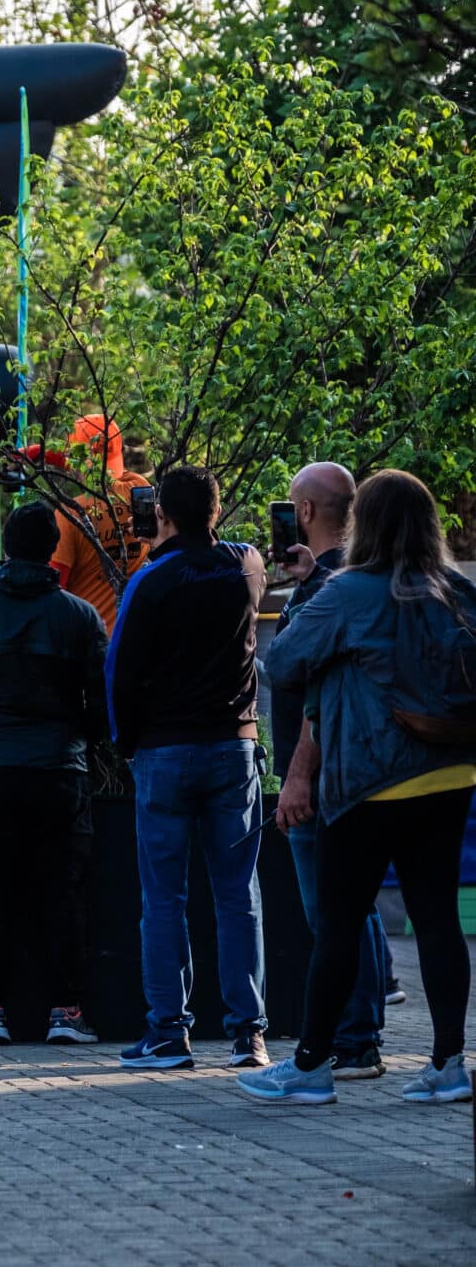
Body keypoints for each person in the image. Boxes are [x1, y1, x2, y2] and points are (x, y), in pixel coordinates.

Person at [244, 469, 476, 1105]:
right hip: (453, 772)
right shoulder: (455, 590)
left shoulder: (349, 592)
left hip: (372, 778)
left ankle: (313, 1066)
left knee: (340, 923)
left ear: (362, 524)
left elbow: (285, 662)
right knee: (435, 920)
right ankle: (449, 1064)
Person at [107, 466, 269, 1071]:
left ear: (159, 516)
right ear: (217, 512)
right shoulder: (244, 568)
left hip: (166, 754)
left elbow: (120, 673)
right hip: (234, 748)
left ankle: (169, 1034)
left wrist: (128, 745)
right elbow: (252, 559)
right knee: (238, 896)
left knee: (164, 898)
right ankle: (249, 1034)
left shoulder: (150, 582)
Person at [0, 501, 108, 1047]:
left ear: (7, 549)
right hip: (59, 768)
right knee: (64, 891)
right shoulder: (80, 615)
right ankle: (67, 1010)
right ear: (52, 550)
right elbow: (99, 699)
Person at [264, 462, 388, 1080]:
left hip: (318, 775)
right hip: (358, 769)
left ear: (306, 514)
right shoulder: (353, 579)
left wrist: (296, 777)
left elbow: (307, 685)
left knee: (331, 914)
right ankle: (361, 1030)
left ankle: (355, 1038)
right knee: (352, 907)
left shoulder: (330, 592)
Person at [49, 414, 150, 632]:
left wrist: (35, 455)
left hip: (88, 643)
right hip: (132, 640)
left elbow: (54, 590)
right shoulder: (138, 489)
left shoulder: (69, 515)